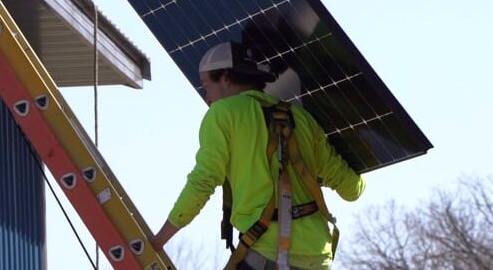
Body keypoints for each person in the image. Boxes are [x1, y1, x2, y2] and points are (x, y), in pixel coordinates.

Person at [150, 41, 365, 270]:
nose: (207, 98)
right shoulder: (302, 119)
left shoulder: (222, 115)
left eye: (206, 86)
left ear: (225, 77)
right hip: (317, 257)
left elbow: (203, 181)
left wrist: (159, 240)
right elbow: (352, 189)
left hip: (268, 252)